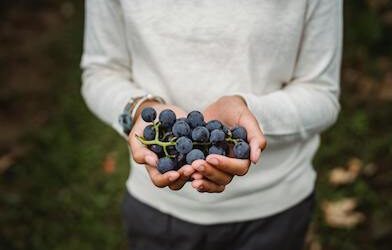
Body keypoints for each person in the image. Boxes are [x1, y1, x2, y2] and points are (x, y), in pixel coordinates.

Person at [81, 0, 342, 249]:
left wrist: (251, 113)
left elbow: (322, 94)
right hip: (158, 210)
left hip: (275, 210)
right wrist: (139, 109)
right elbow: (100, 73)